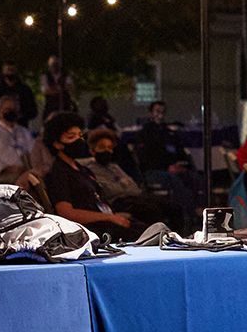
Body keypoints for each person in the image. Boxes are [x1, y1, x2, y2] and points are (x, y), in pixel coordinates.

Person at [38, 111, 136, 239]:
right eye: (71, 136)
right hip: (91, 230)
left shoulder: (83, 170)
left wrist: (114, 215)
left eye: (80, 135)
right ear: (57, 144)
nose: (79, 140)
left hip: (106, 220)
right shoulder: (58, 173)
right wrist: (109, 217)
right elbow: (66, 212)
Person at [84, 128, 172, 231]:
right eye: (102, 147)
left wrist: (120, 185)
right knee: (151, 210)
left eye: (109, 147)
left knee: (171, 206)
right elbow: (108, 191)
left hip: (134, 198)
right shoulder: (89, 169)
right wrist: (122, 184)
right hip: (117, 202)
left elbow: (135, 188)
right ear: (93, 150)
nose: (106, 151)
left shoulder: (114, 167)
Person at [134, 100, 200, 221]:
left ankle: (197, 210)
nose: (160, 114)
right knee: (175, 181)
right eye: (157, 111)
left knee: (194, 178)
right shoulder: (144, 133)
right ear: (150, 113)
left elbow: (180, 152)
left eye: (162, 112)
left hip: (172, 168)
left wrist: (181, 164)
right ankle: (190, 214)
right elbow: (146, 159)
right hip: (154, 171)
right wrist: (166, 167)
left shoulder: (169, 132)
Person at [0, 97, 36, 181]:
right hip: (5, 177)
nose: (11, 112)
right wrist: (5, 168)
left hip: (26, 174)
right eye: (7, 109)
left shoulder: (24, 132)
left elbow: (33, 152)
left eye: (14, 109)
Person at [0, 61, 37, 126]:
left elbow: (33, 111)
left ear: (16, 71)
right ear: (3, 71)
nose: (10, 73)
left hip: (20, 126)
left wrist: (20, 115)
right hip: (0, 127)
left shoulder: (25, 90)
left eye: (12, 70)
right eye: (8, 70)